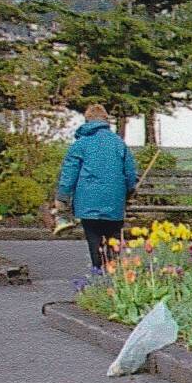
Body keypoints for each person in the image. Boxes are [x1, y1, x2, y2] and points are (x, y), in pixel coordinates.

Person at [56, 104, 139, 273]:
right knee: (113, 239)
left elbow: (69, 173)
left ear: (87, 120)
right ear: (106, 120)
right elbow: (130, 172)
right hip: (114, 202)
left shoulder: (80, 144)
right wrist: (130, 191)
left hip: (88, 201)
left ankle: (98, 272)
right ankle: (113, 274)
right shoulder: (118, 143)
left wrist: (63, 196)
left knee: (94, 239)